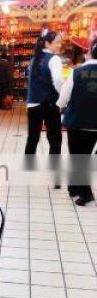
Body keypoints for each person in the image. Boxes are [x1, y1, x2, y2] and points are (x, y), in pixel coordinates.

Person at [57, 38, 97, 206]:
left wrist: (59, 105)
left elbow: (63, 97)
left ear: (89, 53)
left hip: (77, 121)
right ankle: (74, 188)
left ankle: (85, 194)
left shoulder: (77, 72)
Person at [25, 30, 64, 155]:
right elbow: (58, 80)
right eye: (57, 42)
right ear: (47, 43)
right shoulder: (54, 59)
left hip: (33, 104)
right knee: (55, 140)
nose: (60, 45)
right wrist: (62, 99)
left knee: (32, 138)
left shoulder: (33, 59)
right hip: (50, 104)